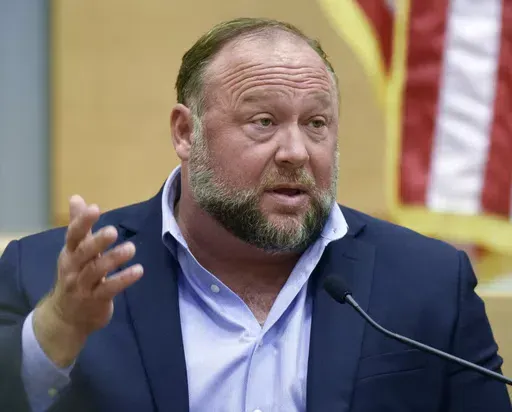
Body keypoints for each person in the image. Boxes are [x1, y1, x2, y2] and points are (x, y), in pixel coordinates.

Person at [0, 17, 510, 412]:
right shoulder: (46, 276)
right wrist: (59, 327)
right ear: (186, 133)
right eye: (263, 122)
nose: (296, 152)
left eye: (316, 124)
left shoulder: (428, 283)